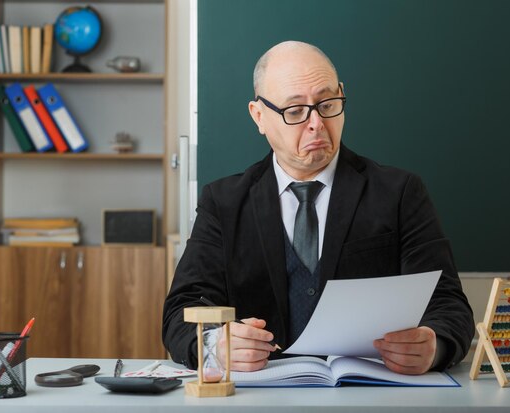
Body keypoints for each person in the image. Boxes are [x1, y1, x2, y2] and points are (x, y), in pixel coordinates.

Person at [163, 40, 474, 375]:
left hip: (370, 395)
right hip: (258, 399)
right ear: (259, 116)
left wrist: (434, 344)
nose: (316, 124)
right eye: (295, 111)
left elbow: (448, 304)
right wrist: (216, 348)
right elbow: (180, 313)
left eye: (327, 103)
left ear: (341, 94)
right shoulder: (223, 203)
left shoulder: (399, 193)